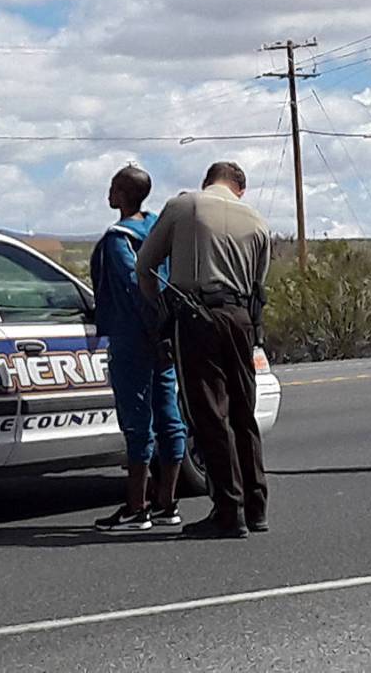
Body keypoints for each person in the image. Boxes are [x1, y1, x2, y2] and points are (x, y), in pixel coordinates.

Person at [137, 162, 270, 540]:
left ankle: (229, 508)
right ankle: (257, 504)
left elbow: (145, 265)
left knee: (209, 412)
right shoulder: (257, 220)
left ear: (207, 181)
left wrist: (161, 312)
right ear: (239, 189)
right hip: (241, 317)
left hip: (197, 315)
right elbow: (260, 286)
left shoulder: (185, 206)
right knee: (244, 412)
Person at [90, 165, 186, 532]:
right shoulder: (159, 228)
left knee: (137, 421)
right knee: (169, 415)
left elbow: (134, 287)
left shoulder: (119, 238)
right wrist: (164, 332)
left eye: (113, 187)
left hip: (134, 336)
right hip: (164, 336)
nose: (109, 194)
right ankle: (167, 503)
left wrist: (147, 329)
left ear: (124, 194)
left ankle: (136, 507)